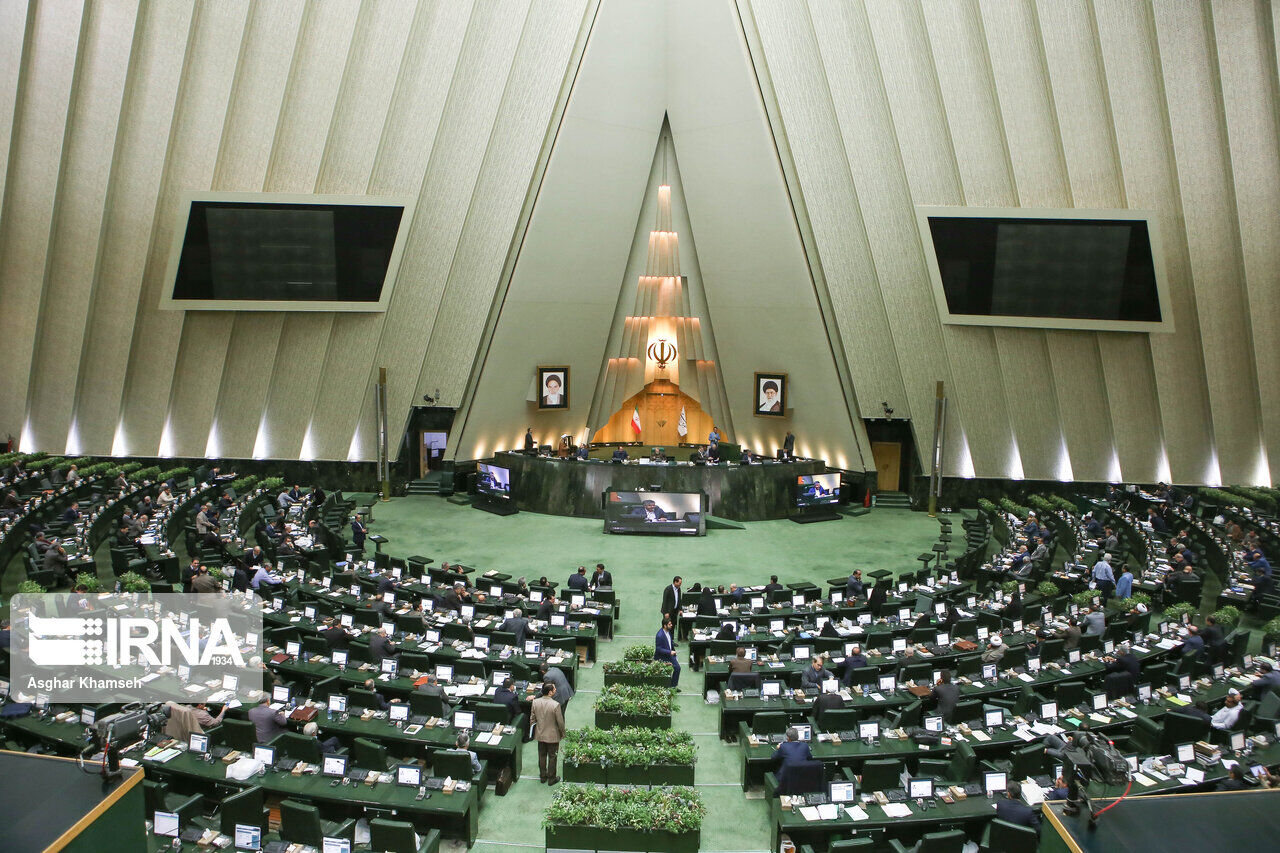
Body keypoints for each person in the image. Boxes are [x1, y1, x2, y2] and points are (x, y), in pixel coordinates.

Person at [531, 682, 565, 784]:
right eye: (554, 689)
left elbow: (532, 719)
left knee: (541, 755)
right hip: (553, 736)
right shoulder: (555, 705)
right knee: (552, 756)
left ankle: (543, 776)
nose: (555, 690)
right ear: (550, 692)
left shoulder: (535, 702)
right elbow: (560, 722)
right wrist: (563, 732)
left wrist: (534, 732)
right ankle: (551, 778)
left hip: (540, 734)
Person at [655, 617, 680, 687]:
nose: (671, 625)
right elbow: (658, 649)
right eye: (669, 624)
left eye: (671, 623)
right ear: (665, 626)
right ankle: (671, 686)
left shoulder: (668, 632)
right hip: (663, 656)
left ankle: (673, 686)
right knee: (676, 668)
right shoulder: (659, 635)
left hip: (670, 654)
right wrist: (669, 652)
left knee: (677, 668)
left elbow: (669, 642)